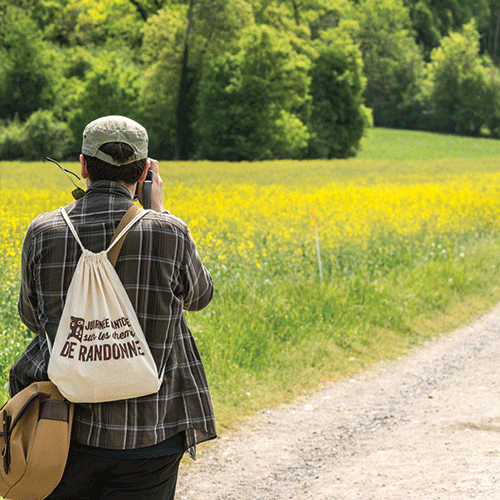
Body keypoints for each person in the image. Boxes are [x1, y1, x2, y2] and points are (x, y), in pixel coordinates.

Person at [9, 115, 216, 500]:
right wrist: (160, 211)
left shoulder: (44, 231)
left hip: (63, 426)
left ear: (84, 166)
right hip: (151, 430)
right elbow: (200, 297)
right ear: (144, 172)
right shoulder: (168, 231)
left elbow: (30, 318)